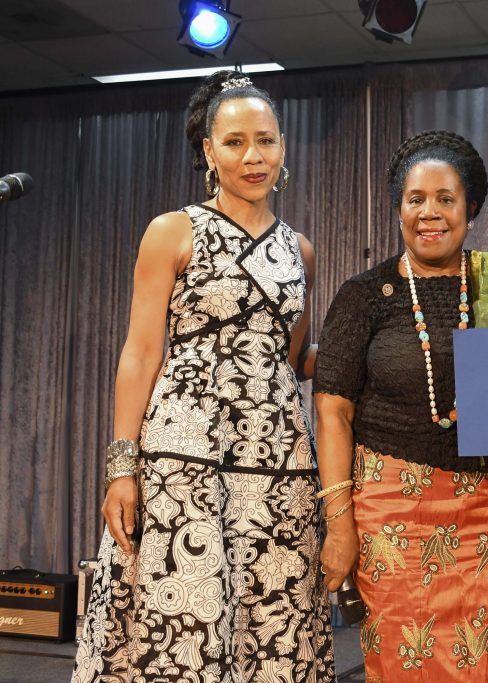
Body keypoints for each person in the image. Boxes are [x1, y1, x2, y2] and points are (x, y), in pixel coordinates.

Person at [72, 70, 335, 682]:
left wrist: (374, 354)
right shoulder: (173, 230)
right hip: (184, 452)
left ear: (284, 146)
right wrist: (121, 467)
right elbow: (140, 352)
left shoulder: (302, 250)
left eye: (266, 140)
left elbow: (293, 358)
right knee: (183, 622)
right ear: (208, 152)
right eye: (236, 141)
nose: (254, 156)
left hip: (278, 459)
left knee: (276, 620)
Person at [313, 130, 488, 683]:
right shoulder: (364, 295)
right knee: (401, 665)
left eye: (446, 198)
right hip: (391, 516)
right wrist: (339, 524)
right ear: (398, 208)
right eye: (416, 199)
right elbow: (332, 414)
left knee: (481, 665)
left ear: (470, 209)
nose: (430, 213)